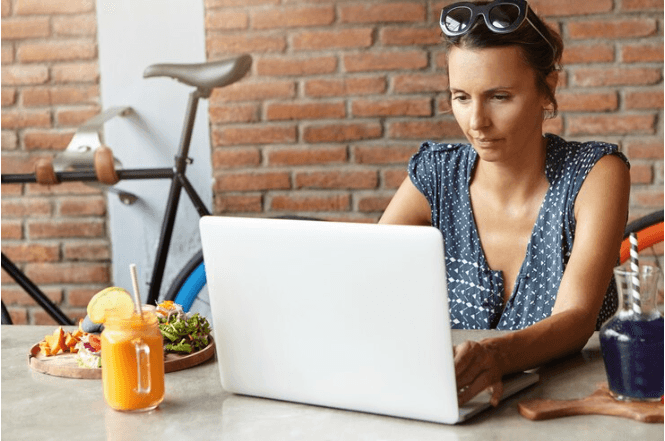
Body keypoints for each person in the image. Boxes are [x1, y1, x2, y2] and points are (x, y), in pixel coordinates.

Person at [379, 0, 630, 406]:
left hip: (569, 411)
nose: (476, 120)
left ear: (547, 89)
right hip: (455, 403)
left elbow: (577, 318)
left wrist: (493, 356)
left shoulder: (596, 173)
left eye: (499, 96)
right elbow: (364, 280)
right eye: (461, 96)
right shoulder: (435, 175)